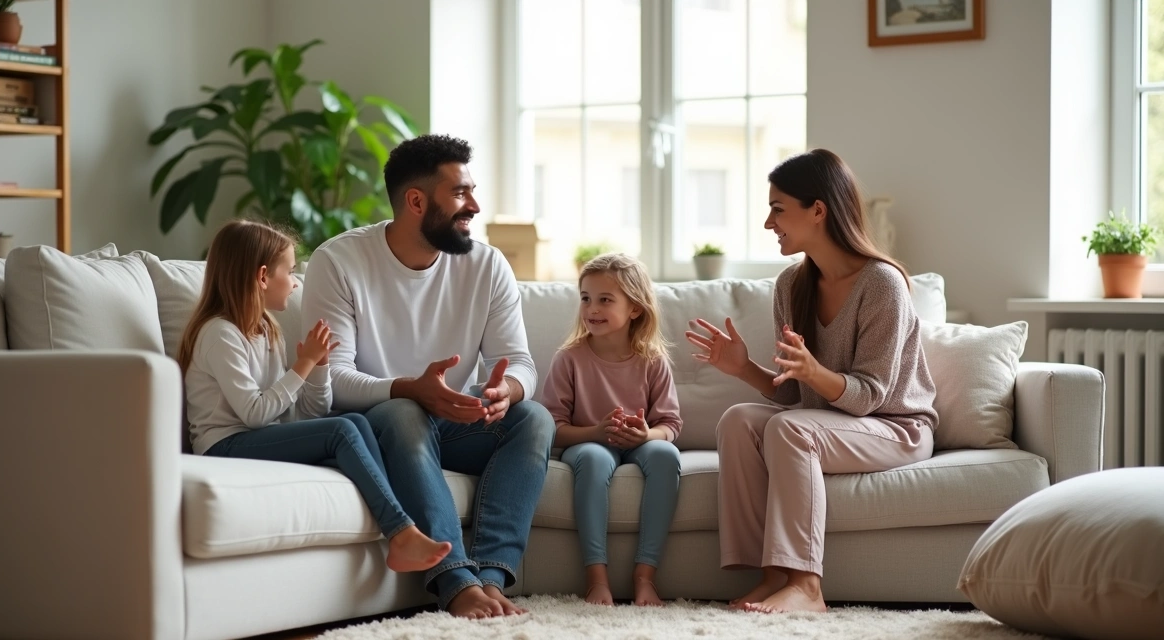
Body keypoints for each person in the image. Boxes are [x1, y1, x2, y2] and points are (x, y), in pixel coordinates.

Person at [301, 134, 556, 619]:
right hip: (379, 423)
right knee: (403, 412)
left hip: (453, 421)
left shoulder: (487, 265)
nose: (475, 206)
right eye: (460, 194)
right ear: (415, 201)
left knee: (533, 419)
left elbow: (519, 361)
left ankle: (491, 575)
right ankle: (454, 580)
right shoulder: (339, 262)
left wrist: (508, 390)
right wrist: (410, 388)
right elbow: (332, 378)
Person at [685, 149, 938, 614]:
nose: (768, 223)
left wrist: (814, 372)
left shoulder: (882, 284)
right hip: (831, 422)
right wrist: (743, 366)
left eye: (778, 208)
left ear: (818, 210)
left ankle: (807, 585)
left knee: (790, 427)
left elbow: (869, 397)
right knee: (738, 420)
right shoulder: (791, 285)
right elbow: (795, 393)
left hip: (895, 427)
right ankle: (773, 575)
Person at [178, 219, 451, 575]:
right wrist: (302, 366)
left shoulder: (265, 330)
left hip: (255, 438)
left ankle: (401, 528)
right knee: (341, 431)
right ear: (262, 277)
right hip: (224, 445)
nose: (294, 283)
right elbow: (256, 414)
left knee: (353, 422)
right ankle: (401, 532)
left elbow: (303, 416)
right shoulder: (220, 335)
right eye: (289, 272)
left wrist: (319, 369)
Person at [540, 253, 683, 607]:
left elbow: (671, 425)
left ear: (635, 308)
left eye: (605, 300)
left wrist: (646, 435)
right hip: (589, 442)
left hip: (640, 442)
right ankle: (596, 579)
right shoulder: (569, 358)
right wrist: (594, 431)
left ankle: (644, 577)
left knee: (665, 455)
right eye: (586, 298)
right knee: (591, 460)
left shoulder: (653, 360)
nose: (592, 308)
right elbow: (552, 428)